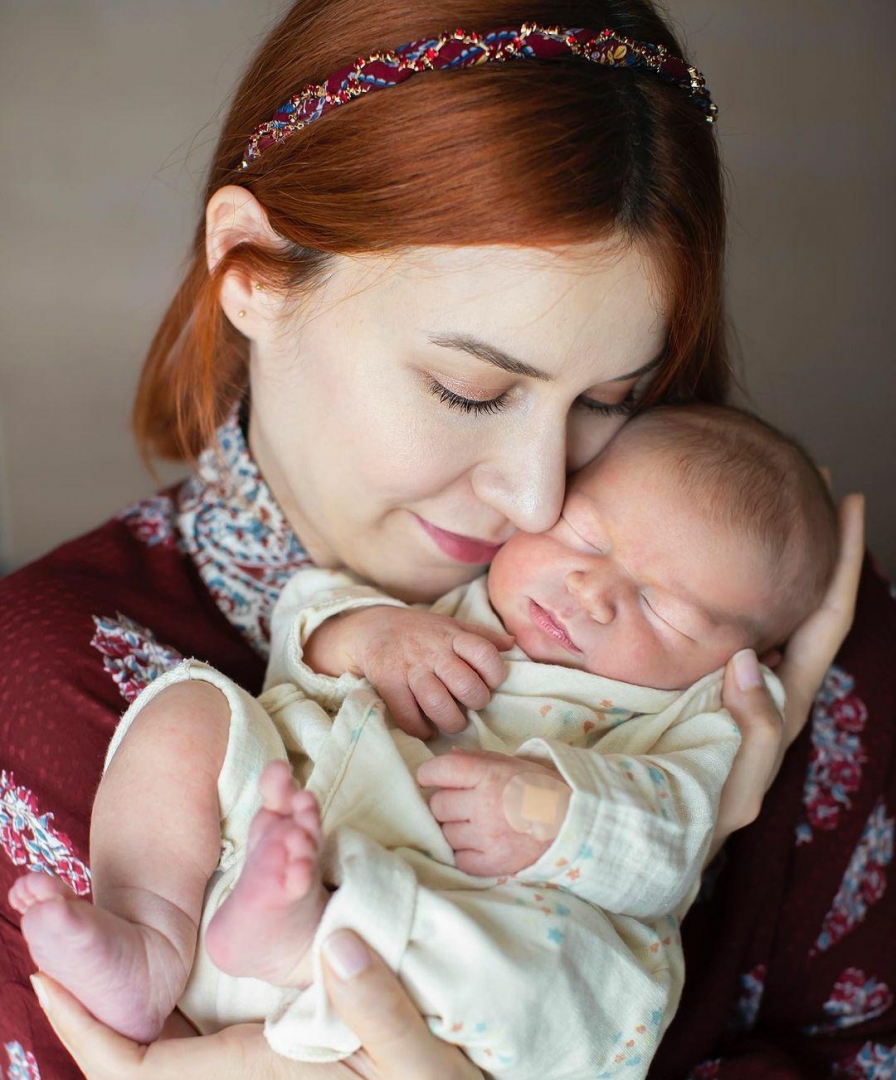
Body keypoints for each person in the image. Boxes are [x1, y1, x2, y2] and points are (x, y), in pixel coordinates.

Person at [0, 2, 886, 1079]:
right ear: (250, 272)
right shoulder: (39, 693)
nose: (534, 492)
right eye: (469, 391)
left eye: (612, 399)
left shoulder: (774, 633)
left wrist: (683, 816)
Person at [10, 403, 842, 1080]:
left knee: (556, 982)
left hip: (444, 954)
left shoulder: (693, 716)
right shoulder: (462, 581)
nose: (591, 592)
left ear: (745, 663)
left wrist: (561, 813)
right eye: (586, 538)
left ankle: (305, 942)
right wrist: (364, 636)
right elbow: (305, 609)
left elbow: (677, 832)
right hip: (265, 847)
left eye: (668, 612)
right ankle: (149, 931)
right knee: (192, 707)